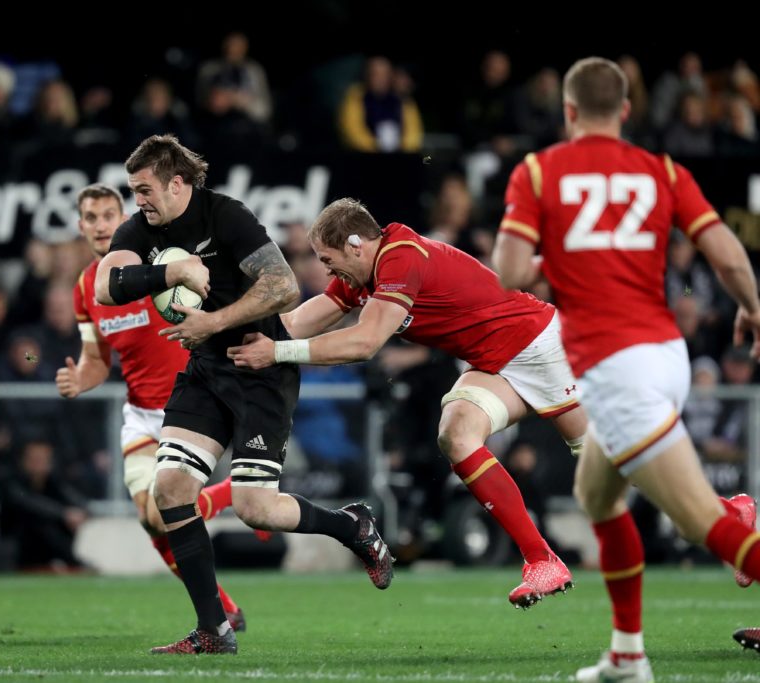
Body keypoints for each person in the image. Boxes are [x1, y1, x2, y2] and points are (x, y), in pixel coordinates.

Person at [492, 57, 760, 682]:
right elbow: (724, 251)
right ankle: (628, 654)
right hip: (665, 353)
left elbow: (507, 272)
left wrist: (548, 260)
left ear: (567, 112)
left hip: (616, 367)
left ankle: (635, 649)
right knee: (598, 494)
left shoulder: (539, 170)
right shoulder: (662, 169)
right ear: (627, 112)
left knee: (697, 521)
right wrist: (751, 307)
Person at [93, 135, 393, 655]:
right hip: (206, 369)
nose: (138, 199)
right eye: (133, 189)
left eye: (145, 189)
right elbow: (105, 284)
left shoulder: (226, 215)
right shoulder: (141, 228)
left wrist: (214, 320)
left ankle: (351, 525)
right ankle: (213, 630)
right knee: (169, 491)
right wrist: (173, 272)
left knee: (256, 508)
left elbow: (283, 287)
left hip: (261, 365)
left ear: (178, 183)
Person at [227, 197, 586, 608]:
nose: (327, 270)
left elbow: (364, 342)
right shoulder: (362, 272)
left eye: (328, 259)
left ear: (356, 245)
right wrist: (225, 329)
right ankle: (541, 560)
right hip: (495, 364)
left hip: (542, 349)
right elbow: (294, 323)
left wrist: (276, 353)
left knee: (614, 462)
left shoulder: (402, 257)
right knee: (456, 434)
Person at [55, 183, 257, 629]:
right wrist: (79, 380)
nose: (102, 224)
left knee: (160, 513)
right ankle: (224, 608)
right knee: (154, 521)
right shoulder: (87, 288)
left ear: (122, 217)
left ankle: (234, 496)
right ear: (80, 225)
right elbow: (95, 361)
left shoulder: (159, 260)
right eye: (92, 217)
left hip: (189, 410)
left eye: (110, 214)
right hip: (141, 416)